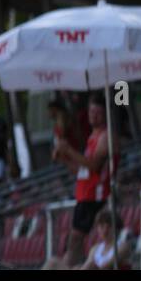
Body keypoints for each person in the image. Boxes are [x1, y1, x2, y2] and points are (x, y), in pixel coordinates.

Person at [53, 94, 117, 267]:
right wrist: (64, 158)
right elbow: (82, 171)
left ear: (105, 114)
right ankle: (71, 265)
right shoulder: (92, 137)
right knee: (74, 241)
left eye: (97, 112)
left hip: (95, 195)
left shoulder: (106, 136)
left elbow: (94, 165)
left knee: (75, 240)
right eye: (91, 111)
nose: (92, 115)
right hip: (84, 194)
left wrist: (69, 150)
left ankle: (68, 266)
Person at [43, 209, 118, 270]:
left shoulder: (120, 245)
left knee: (90, 265)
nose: (105, 230)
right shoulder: (95, 249)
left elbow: (106, 265)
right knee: (53, 262)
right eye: (101, 226)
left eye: (109, 226)